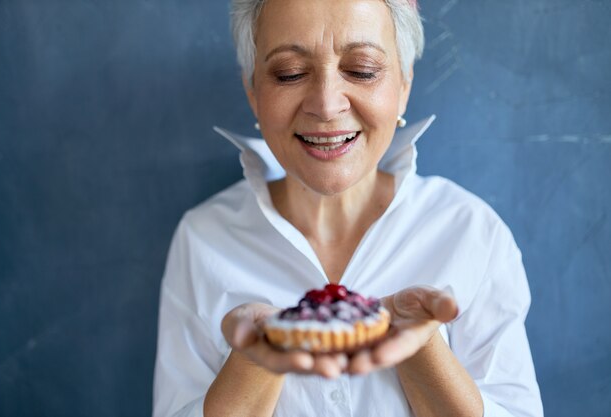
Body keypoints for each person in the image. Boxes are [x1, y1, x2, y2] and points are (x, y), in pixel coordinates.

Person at [153, 0, 544, 416]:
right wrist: (253, 361)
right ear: (253, 90)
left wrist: (424, 347)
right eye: (290, 73)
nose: (326, 104)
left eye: (362, 70)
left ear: (405, 83)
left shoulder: (472, 233)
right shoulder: (202, 238)